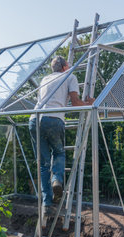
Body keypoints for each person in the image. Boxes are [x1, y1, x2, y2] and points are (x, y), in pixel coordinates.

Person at [29, 56, 94, 223]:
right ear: (65, 66)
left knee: (43, 164)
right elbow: (74, 103)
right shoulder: (70, 76)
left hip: (35, 120)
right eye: (68, 65)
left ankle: (46, 204)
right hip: (53, 119)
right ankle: (57, 179)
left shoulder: (45, 79)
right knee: (58, 153)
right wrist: (90, 104)